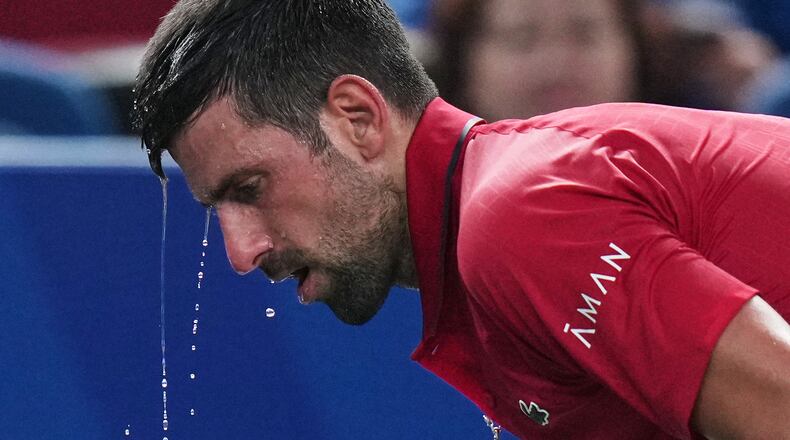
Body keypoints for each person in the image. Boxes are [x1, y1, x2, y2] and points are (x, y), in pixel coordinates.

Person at [133, 1, 790, 438]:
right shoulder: (506, 218)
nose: (241, 252)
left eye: (250, 188)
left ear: (358, 119)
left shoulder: (518, 215)